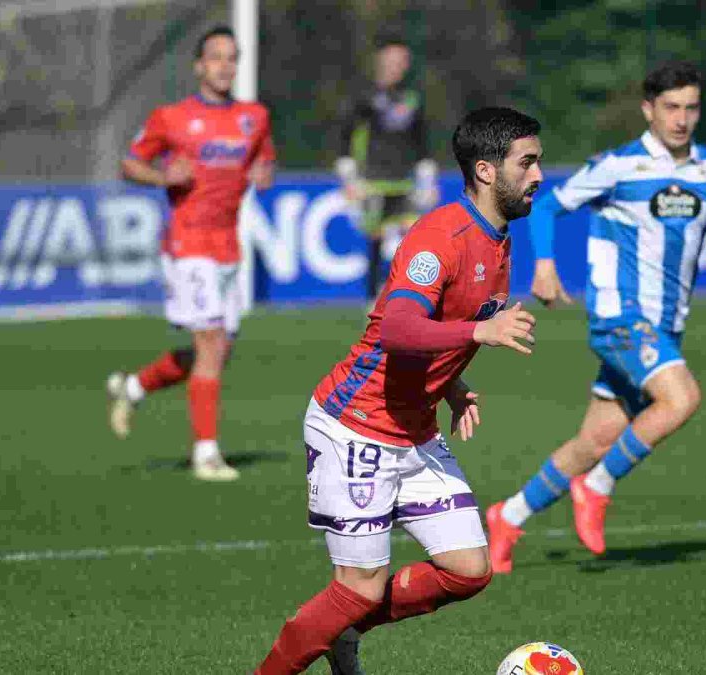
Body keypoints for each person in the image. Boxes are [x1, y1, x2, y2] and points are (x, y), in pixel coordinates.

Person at [255, 107, 543, 675]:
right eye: (527, 163)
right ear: (486, 171)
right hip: (356, 425)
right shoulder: (439, 237)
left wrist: (451, 384)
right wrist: (479, 333)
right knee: (359, 586)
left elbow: (442, 326)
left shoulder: (498, 239)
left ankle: (341, 630)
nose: (538, 175)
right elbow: (397, 328)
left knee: (468, 569)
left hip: (414, 429)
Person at [485, 61, 706, 574]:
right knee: (681, 398)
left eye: (691, 108)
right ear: (648, 110)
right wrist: (543, 265)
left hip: (666, 325)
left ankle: (507, 517)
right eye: (671, 107)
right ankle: (598, 486)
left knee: (597, 440)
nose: (681, 119)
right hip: (620, 316)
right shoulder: (619, 166)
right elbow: (545, 207)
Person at [106, 25, 274, 481]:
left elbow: (264, 160)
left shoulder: (254, 117)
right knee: (211, 343)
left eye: (231, 57)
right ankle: (206, 455)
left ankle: (134, 387)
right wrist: (163, 178)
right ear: (199, 66)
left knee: (215, 353)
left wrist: (264, 174)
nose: (225, 65)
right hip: (188, 243)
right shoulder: (171, 117)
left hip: (228, 246)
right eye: (216, 56)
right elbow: (129, 163)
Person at [334, 35, 439, 301]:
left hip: (405, 183)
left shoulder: (412, 99)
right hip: (372, 183)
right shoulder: (364, 97)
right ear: (380, 60)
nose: (397, 66)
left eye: (402, 60)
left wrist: (428, 180)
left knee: (410, 243)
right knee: (377, 242)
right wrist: (349, 179)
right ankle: (374, 304)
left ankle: (408, 301)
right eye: (392, 59)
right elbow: (346, 138)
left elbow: (422, 143)